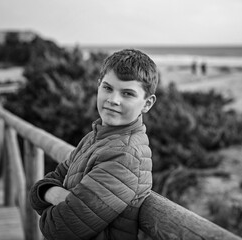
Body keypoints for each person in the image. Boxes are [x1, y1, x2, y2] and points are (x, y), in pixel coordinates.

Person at [29, 49, 158, 240]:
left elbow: (58, 228)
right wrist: (55, 195)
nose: (113, 100)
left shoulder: (126, 155)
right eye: (107, 88)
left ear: (147, 104)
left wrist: (52, 196)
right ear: (98, 86)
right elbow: (42, 187)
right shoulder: (95, 137)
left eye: (128, 93)